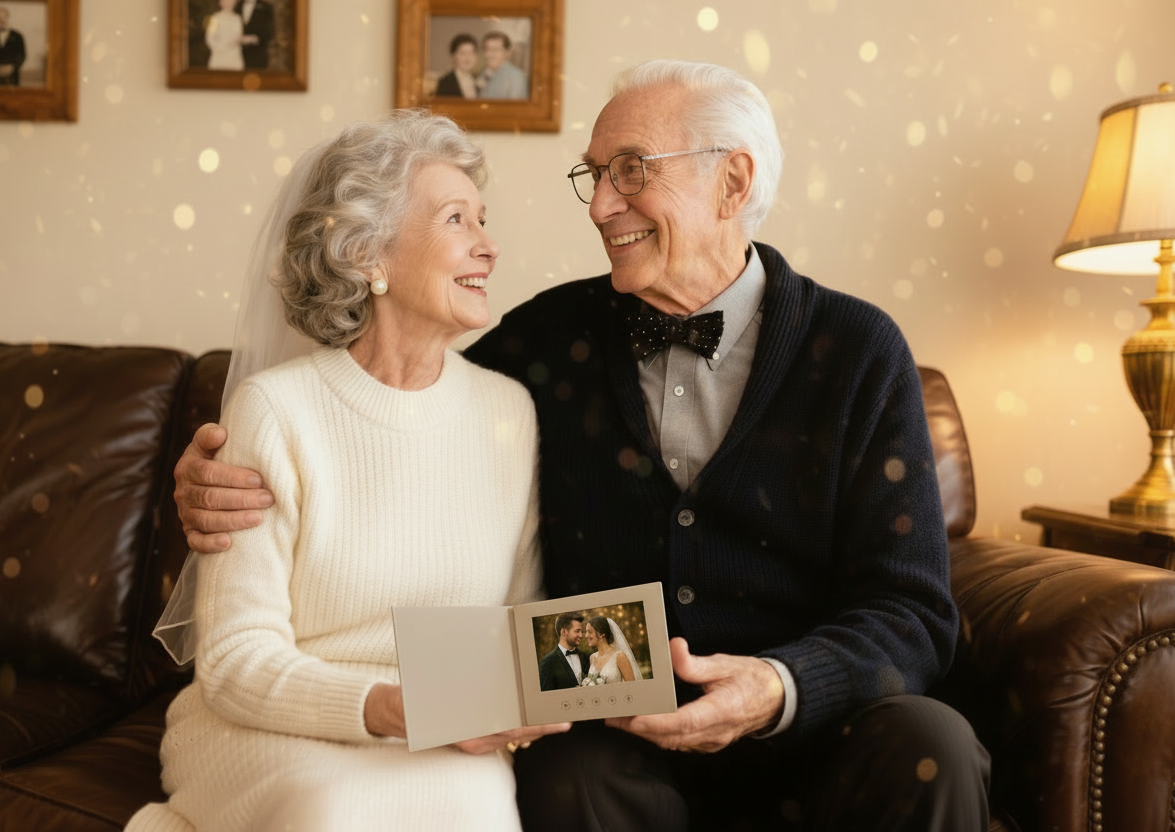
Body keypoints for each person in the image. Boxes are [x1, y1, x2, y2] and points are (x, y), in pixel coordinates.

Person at [170, 60, 991, 831]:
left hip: (810, 728)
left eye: (631, 169)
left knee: (936, 748)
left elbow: (914, 611)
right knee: (568, 780)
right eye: (595, 176)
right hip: (618, 737)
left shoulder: (855, 350)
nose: (600, 205)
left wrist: (777, 686)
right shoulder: (538, 348)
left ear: (732, 182)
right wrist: (219, 477)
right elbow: (394, 402)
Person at [126, 110, 567, 832]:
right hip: (270, 724)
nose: (489, 246)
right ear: (368, 253)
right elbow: (236, 663)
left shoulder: (508, 411)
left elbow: (517, 625)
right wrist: (392, 706)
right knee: (339, 812)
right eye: (458, 219)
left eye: (483, 221)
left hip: (445, 728)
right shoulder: (276, 409)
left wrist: (558, 687)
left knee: (478, 812)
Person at [583, 616, 637, 684]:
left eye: (590, 632)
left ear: (601, 634)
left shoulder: (619, 656)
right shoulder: (592, 658)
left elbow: (633, 686)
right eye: (586, 632)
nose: (586, 635)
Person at [538, 612, 584, 691]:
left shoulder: (587, 657)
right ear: (563, 632)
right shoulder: (547, 662)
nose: (581, 635)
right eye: (577, 631)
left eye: (581, 631)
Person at [477, 31, 526, 99]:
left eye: (495, 50)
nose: (490, 54)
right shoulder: (482, 74)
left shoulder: (515, 77)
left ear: (507, 52)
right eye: (487, 49)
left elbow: (514, 107)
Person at [0, 7, 25, 86]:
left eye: (3, 17)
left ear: (8, 17)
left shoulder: (17, 36)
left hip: (12, 77)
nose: (1, 20)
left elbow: (22, 55)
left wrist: (11, 67)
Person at [434, 33, 478, 98]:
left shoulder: (479, 79)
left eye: (471, 53)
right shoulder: (445, 82)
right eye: (463, 53)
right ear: (454, 56)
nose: (468, 58)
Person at [205, 0, 243, 71]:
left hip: (234, 57)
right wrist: (221, 48)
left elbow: (238, 36)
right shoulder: (215, 18)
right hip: (218, 56)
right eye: (224, 1)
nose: (227, 3)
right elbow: (209, 38)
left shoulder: (237, 19)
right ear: (220, 2)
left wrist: (233, 43)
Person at [238, 0, 274, 70]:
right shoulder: (237, 6)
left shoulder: (266, 8)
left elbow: (270, 33)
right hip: (237, 55)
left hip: (258, 54)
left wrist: (254, 39)